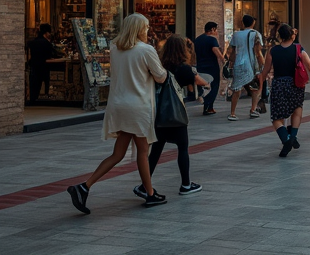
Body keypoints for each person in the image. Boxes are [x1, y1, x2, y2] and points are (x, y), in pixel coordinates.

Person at [67, 14, 168, 213]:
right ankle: (149, 193)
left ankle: (84, 186)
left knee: (118, 153)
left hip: (118, 105)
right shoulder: (146, 50)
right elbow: (161, 77)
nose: (147, 31)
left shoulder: (115, 49)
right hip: (138, 106)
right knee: (142, 151)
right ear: (139, 29)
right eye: (146, 28)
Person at [144, 35, 206, 197]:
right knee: (182, 147)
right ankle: (185, 184)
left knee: (156, 149)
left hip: (159, 113)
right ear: (183, 50)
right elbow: (201, 82)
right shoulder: (184, 69)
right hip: (175, 113)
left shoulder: (160, 67)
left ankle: (146, 184)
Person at [257, 24, 310, 157]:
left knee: (277, 117)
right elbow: (309, 65)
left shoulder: (273, 50)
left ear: (280, 36)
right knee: (297, 109)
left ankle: (286, 140)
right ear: (292, 35)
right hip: (295, 84)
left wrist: (261, 86)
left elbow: (265, 71)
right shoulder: (299, 49)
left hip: (279, 84)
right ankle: (293, 137)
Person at [226, 14, 263, 121]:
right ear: (253, 23)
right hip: (251, 64)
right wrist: (263, 65)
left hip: (239, 63)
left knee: (236, 89)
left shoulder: (236, 35)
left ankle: (232, 113)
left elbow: (232, 51)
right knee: (255, 88)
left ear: (243, 23)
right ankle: (253, 110)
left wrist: (230, 63)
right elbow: (258, 51)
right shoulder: (256, 34)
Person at [193, 22, 224, 116]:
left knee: (205, 86)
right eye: (216, 30)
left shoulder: (197, 39)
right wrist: (223, 60)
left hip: (200, 66)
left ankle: (206, 105)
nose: (217, 32)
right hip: (211, 67)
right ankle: (208, 107)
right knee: (214, 86)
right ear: (212, 29)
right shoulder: (212, 40)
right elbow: (216, 51)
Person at [27, 23, 62, 104]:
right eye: (49, 33)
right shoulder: (46, 43)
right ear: (46, 33)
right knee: (44, 83)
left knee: (34, 85)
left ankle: (33, 99)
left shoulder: (32, 42)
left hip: (34, 66)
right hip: (44, 67)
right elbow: (52, 55)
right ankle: (44, 96)